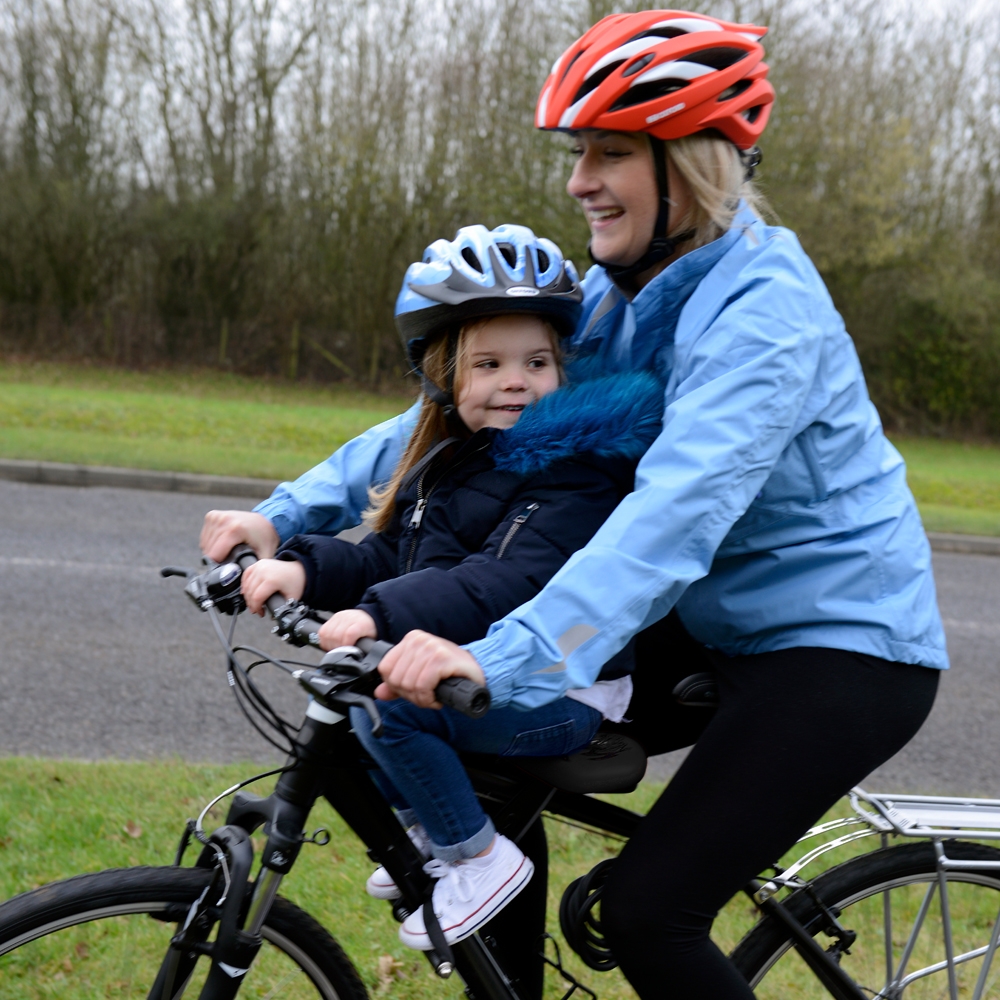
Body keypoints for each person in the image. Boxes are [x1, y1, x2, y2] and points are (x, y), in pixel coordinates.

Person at [202, 11, 948, 997]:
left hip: (837, 647)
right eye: (575, 152)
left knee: (651, 912)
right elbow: (466, 416)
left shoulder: (766, 321)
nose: (577, 180)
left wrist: (497, 654)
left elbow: (669, 522)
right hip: (700, 622)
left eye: (606, 154)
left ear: (688, 166)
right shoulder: (617, 293)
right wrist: (286, 515)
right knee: (488, 767)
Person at [238, 224, 665, 952]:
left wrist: (377, 617)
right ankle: (432, 824)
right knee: (362, 693)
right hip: (479, 671)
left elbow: (504, 581)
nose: (516, 381)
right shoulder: (454, 460)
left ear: (563, 368)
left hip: (560, 690)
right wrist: (303, 568)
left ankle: (478, 857)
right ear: (444, 375)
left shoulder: (575, 468)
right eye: (489, 363)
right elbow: (389, 556)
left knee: (393, 703)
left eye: (536, 361)